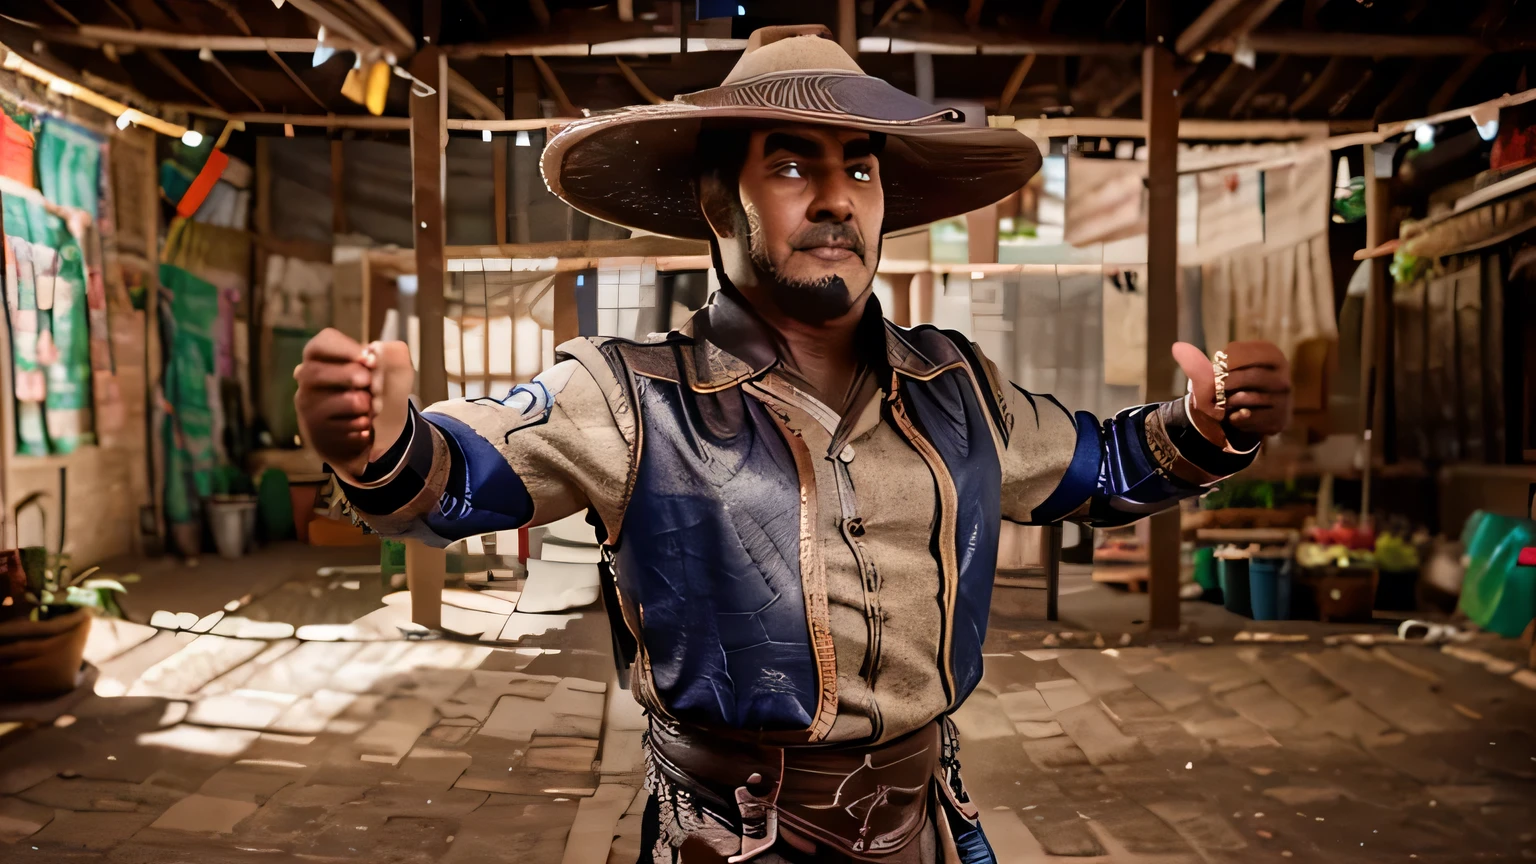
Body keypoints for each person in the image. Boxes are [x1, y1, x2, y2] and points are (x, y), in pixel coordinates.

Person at [293, 25, 1291, 864]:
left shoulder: (959, 388)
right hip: (723, 837)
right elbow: (460, 481)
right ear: (717, 200)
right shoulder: (626, 394)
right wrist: (379, 445)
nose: (834, 195)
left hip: (925, 823)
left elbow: (1101, 468)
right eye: (790, 162)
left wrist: (1209, 427)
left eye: (858, 165)